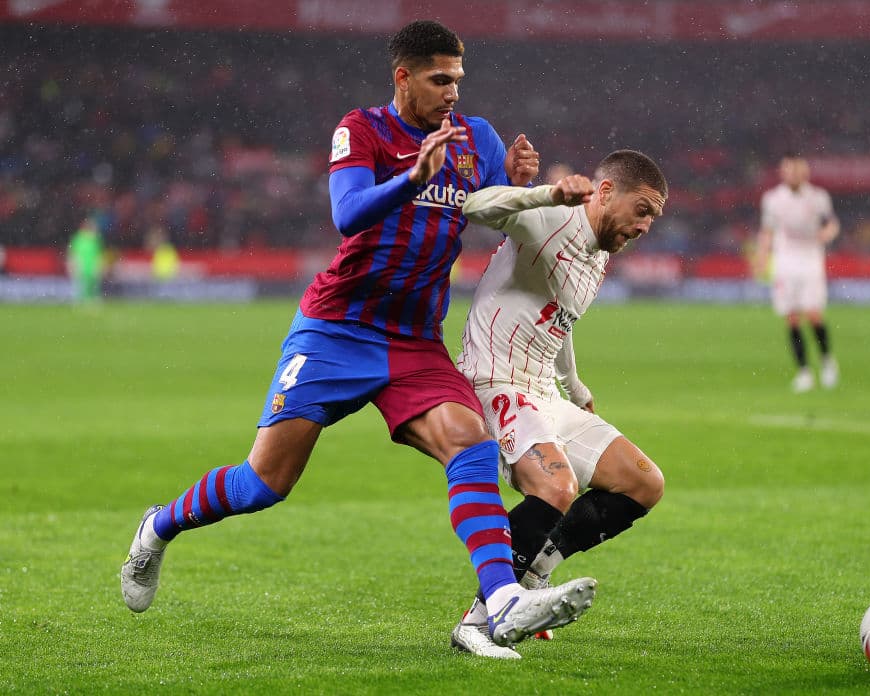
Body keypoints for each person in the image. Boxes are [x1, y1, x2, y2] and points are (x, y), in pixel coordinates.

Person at [120, 19, 596, 650]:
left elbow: (489, 210)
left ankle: (502, 601)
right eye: (439, 79)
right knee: (264, 483)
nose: (453, 91)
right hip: (336, 330)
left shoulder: (477, 137)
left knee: (470, 442)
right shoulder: (362, 129)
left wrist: (527, 187)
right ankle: (159, 526)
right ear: (403, 77)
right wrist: (412, 180)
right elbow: (347, 214)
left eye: (458, 78)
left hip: (413, 341)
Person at [449, 150, 668, 659]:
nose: (644, 227)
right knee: (557, 484)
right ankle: (479, 622)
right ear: (606, 191)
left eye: (652, 218)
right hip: (496, 381)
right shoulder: (554, 217)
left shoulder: (598, 256)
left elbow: (559, 320)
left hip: (544, 390)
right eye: (642, 210)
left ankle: (531, 579)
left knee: (643, 483)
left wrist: (575, 385)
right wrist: (545, 193)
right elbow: (475, 206)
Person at [753, 154, 840, 392]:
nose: (790, 174)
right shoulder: (772, 199)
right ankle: (804, 372)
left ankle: (826, 360)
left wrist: (827, 234)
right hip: (785, 260)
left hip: (811, 258)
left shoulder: (818, 197)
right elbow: (767, 231)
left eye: (794, 170)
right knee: (791, 317)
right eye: (786, 170)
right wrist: (762, 257)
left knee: (813, 314)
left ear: (804, 172)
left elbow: (831, 223)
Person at [67, 216, 104, 303]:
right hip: (81, 267)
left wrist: (100, 266)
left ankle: (92, 300)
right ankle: (79, 301)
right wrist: (72, 265)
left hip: (92, 267)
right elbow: (73, 254)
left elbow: (99, 255)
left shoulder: (95, 240)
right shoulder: (78, 239)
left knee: (93, 286)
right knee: (80, 286)